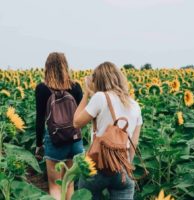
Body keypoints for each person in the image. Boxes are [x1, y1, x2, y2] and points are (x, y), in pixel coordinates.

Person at [73, 61, 143, 200]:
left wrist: (86, 93)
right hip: (122, 168)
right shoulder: (135, 105)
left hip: (97, 166)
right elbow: (133, 142)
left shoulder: (100, 97)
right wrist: (124, 166)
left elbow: (76, 122)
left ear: (98, 80)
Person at [35, 52, 84, 200]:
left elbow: (40, 118)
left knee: (55, 184)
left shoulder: (42, 88)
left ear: (47, 67)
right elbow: (81, 114)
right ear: (65, 66)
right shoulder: (75, 87)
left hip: (55, 139)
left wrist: (39, 143)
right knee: (69, 183)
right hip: (75, 138)